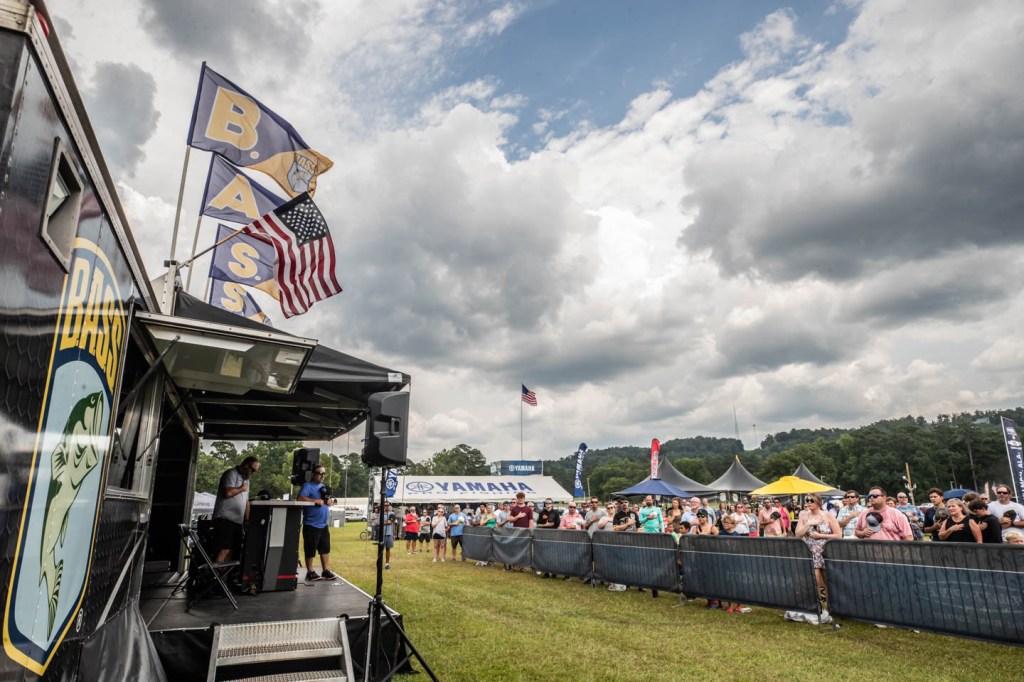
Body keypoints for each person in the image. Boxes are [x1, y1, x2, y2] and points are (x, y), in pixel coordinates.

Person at [794, 493, 841, 604]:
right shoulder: (804, 515)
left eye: (811, 500)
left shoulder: (828, 515)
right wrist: (808, 524)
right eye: (807, 500)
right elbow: (797, 535)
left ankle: (831, 607)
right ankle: (818, 607)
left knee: (828, 581)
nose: (808, 503)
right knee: (814, 581)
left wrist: (820, 536)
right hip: (811, 551)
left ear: (818, 502)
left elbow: (838, 535)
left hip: (826, 551)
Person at [212, 456, 260, 562]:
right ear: (246, 465)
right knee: (224, 549)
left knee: (232, 551)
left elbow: (246, 502)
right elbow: (227, 492)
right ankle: (215, 572)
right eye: (252, 470)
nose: (253, 473)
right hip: (225, 518)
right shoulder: (231, 474)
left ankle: (224, 572)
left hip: (237, 521)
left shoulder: (246, 480)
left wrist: (247, 520)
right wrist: (241, 488)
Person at [297, 465, 337, 581]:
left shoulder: (323, 487)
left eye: (324, 474)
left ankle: (325, 571)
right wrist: (315, 501)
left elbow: (328, 500)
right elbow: (300, 498)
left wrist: (330, 502)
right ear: (313, 474)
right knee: (310, 549)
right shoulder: (308, 486)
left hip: (323, 524)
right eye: (320, 473)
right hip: (311, 524)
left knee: (325, 549)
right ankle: (310, 572)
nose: (322, 476)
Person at [376, 502, 397, 568]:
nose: (387, 506)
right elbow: (377, 524)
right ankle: (379, 563)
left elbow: (392, 524)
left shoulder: (392, 514)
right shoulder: (380, 514)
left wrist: (394, 534)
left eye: (388, 505)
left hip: (389, 534)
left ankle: (387, 564)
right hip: (382, 534)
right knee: (380, 549)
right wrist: (386, 522)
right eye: (385, 505)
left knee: (388, 549)